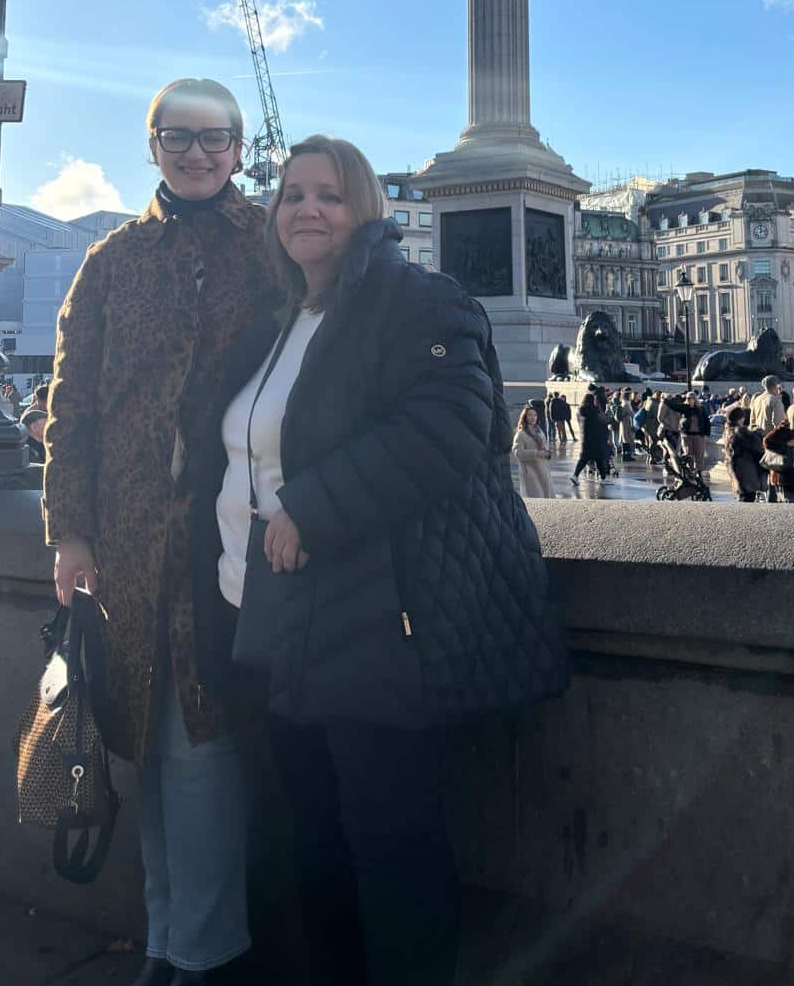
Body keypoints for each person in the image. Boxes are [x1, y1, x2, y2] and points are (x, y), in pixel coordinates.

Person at [218, 135, 559, 986]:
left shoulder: (417, 299)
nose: (307, 208)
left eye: (330, 195)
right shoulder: (281, 317)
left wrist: (313, 507)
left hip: (379, 615)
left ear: (365, 209)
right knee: (312, 838)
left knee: (391, 843)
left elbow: (450, 428)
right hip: (280, 618)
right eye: (292, 193)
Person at [43, 78, 277, 986]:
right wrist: (70, 532)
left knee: (201, 742)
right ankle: (166, 941)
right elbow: (71, 406)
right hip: (130, 544)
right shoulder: (111, 259)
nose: (196, 153)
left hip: (229, 535)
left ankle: (203, 950)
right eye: (177, 137)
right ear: (152, 147)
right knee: (140, 738)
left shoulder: (271, 245)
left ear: (239, 148)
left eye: (214, 138)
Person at [512, 404, 554, 500]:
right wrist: (535, 453)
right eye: (530, 415)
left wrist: (547, 453)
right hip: (530, 471)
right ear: (525, 417)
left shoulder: (539, 431)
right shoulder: (521, 434)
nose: (533, 417)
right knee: (536, 498)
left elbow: (545, 448)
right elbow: (518, 453)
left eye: (535, 415)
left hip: (543, 469)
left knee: (546, 498)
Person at [722, 406, 763, 502]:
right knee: (748, 496)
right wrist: (757, 433)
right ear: (739, 418)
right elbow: (755, 445)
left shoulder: (727, 430)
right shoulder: (740, 431)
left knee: (742, 495)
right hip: (746, 468)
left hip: (735, 467)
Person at [573, 390, 610, 484]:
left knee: (584, 459)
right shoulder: (594, 410)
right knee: (599, 459)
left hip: (585, 438)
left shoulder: (581, 411)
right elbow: (603, 420)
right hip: (596, 439)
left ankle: (575, 475)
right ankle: (603, 478)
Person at [679, 391, 711, 478]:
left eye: (691, 398)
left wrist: (706, 434)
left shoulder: (701, 408)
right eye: (687, 398)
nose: (689, 400)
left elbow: (706, 422)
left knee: (699, 455)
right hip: (687, 435)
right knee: (688, 454)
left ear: (694, 399)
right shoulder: (684, 408)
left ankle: (698, 473)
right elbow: (679, 420)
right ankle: (689, 472)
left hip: (698, 435)